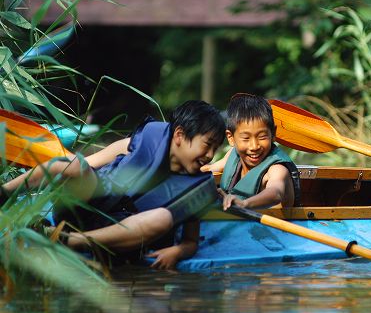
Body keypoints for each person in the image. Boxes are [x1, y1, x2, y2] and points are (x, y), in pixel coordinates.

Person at [2, 100, 226, 269]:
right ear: (179, 135)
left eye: (215, 149)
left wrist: (177, 252)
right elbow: (84, 166)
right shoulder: (138, 144)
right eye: (207, 145)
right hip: (84, 210)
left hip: (120, 237)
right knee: (73, 162)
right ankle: (5, 193)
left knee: (163, 217)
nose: (210, 155)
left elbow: (190, 241)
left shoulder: (196, 188)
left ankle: (68, 241)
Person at [203, 93, 300, 210]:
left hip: (271, 227)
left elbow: (276, 192)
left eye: (262, 137)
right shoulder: (233, 155)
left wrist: (244, 204)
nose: (254, 146)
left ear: (273, 134)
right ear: (231, 138)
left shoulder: (277, 169)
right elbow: (208, 169)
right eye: (246, 138)